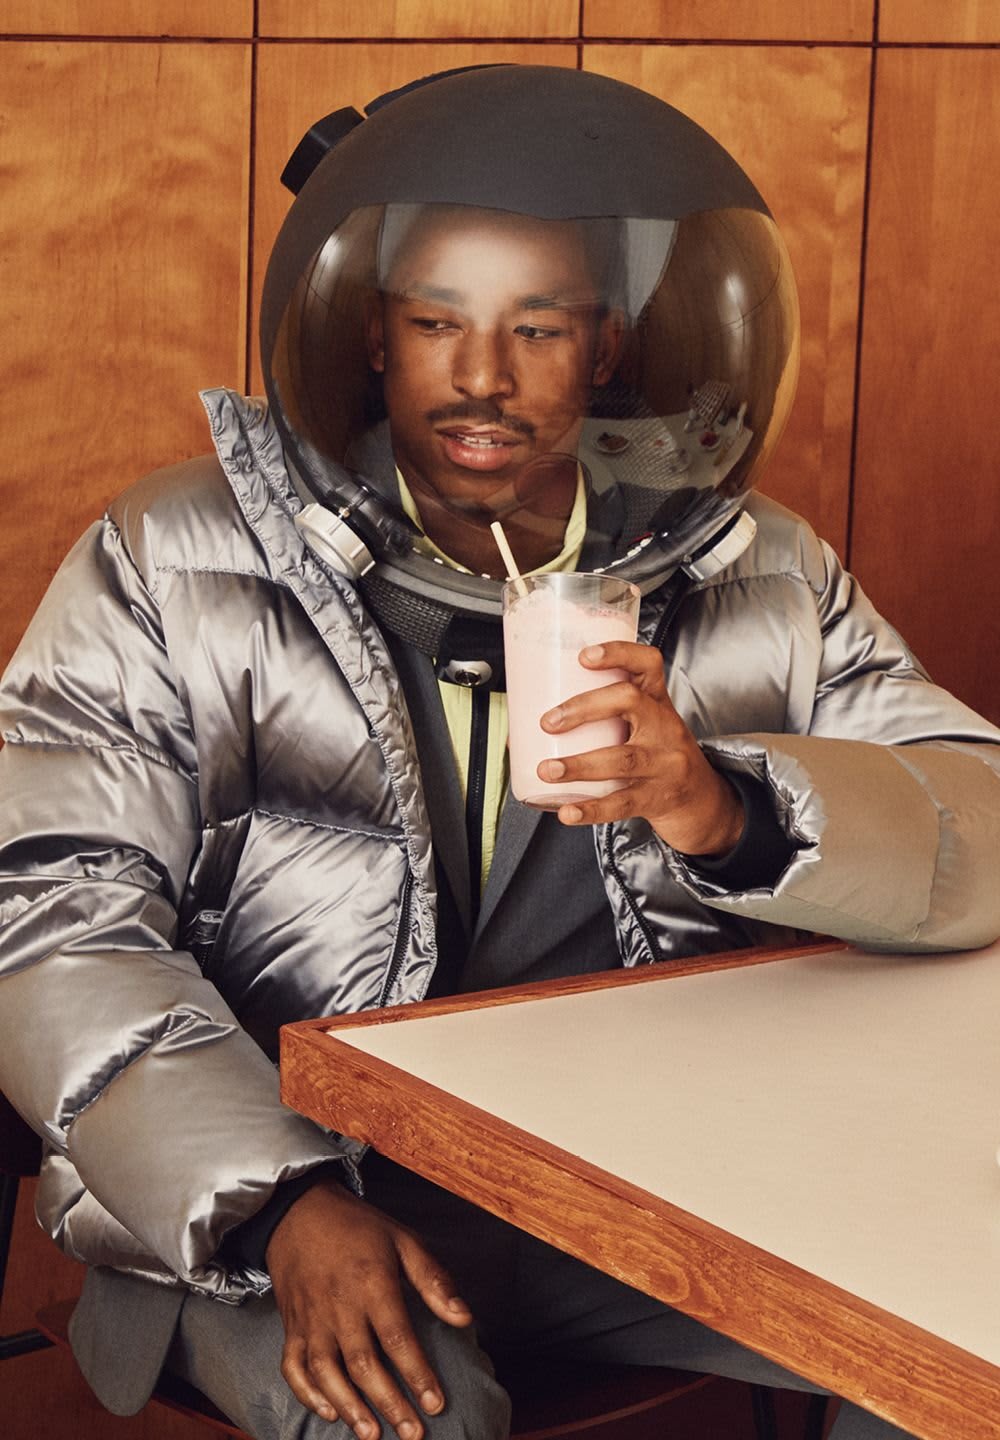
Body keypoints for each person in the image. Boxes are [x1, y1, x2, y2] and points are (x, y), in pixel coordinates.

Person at [0, 64, 997, 1440]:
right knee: (411, 1422)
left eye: (536, 329)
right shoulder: (172, 558)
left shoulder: (757, 566)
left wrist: (730, 810)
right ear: (371, 336)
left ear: (602, 349)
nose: (480, 377)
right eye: (435, 323)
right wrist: (279, 1200)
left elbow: (981, 823)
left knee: (949, 1349)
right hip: (280, 1209)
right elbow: (45, 909)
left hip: (630, 1195)